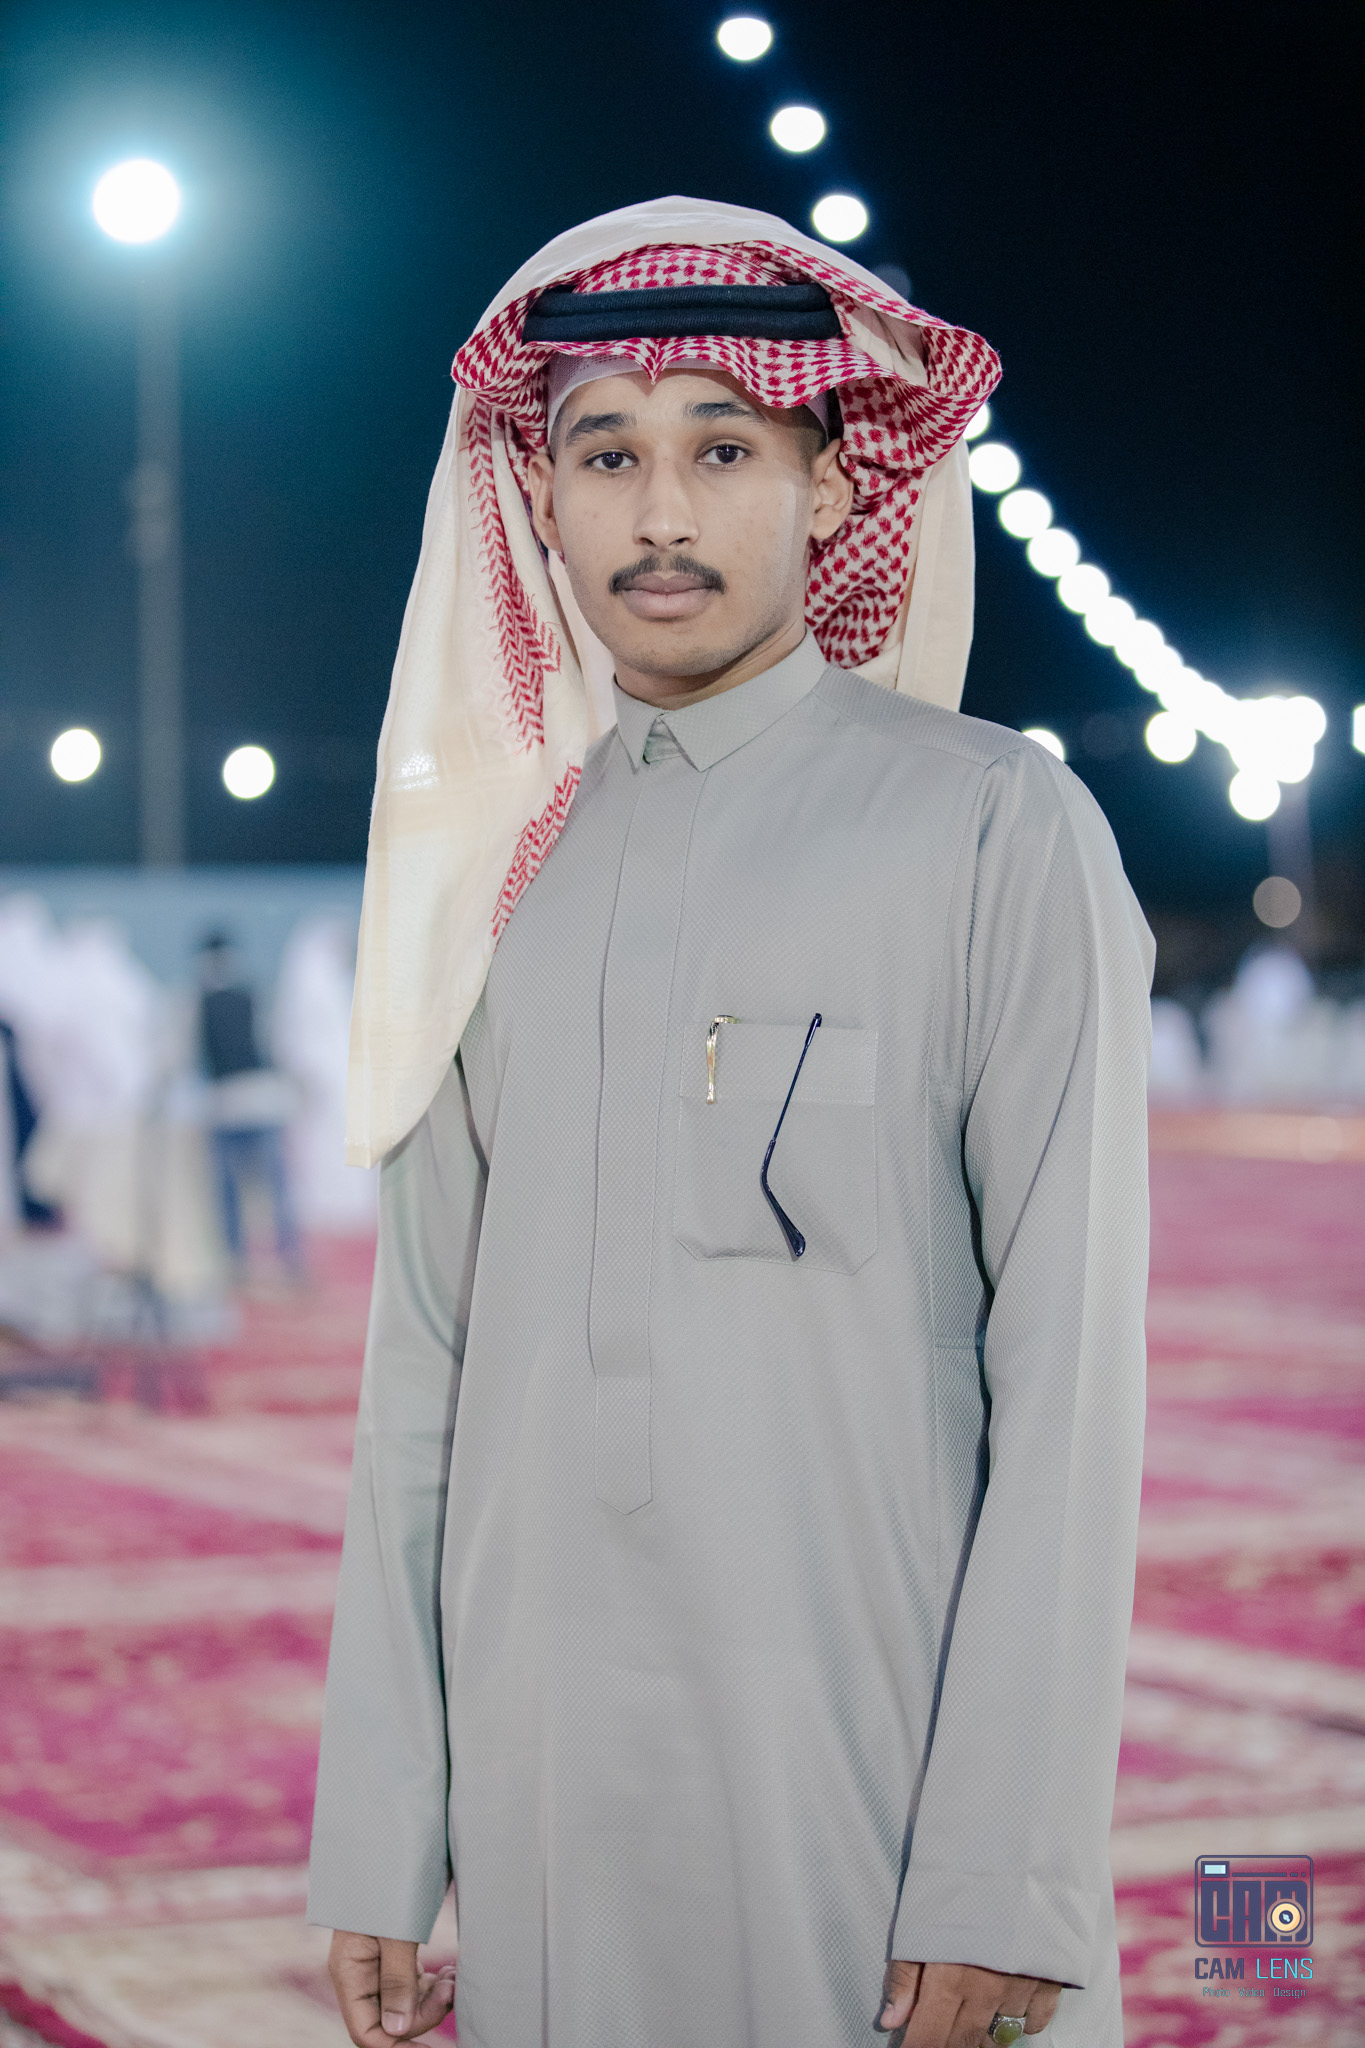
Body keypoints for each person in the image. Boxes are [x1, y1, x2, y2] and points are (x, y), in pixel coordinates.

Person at [308, 197, 1153, 2048]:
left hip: (864, 1757)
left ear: (834, 483)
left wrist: (1007, 1872)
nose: (661, 515)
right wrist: (381, 1823)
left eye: (722, 447)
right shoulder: (493, 878)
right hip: (542, 1776)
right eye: (606, 453)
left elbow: (1072, 1386)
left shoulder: (992, 826)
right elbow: (420, 1374)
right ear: (539, 501)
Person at [196, 933, 301, 1282]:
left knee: (233, 1190)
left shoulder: (200, 1001)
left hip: (231, 1102)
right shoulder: (252, 995)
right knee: (273, 1186)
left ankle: (239, 1261)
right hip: (255, 1100)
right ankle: (288, 1258)